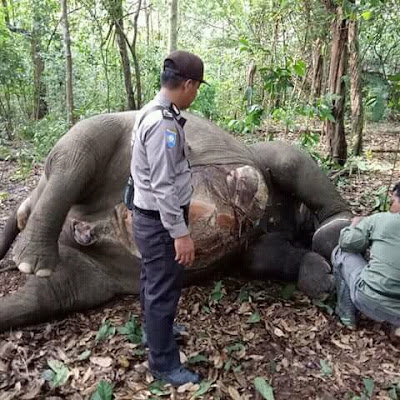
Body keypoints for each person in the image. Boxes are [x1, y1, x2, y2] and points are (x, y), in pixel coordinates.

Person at [130, 50, 206, 385]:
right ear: (187, 84)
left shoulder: (151, 110)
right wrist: (180, 233)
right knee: (163, 289)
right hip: (161, 220)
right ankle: (163, 364)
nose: (196, 93)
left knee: (151, 279)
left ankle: (156, 331)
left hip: (147, 216)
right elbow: (163, 186)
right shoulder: (163, 126)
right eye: (197, 87)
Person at [331, 182, 400, 340]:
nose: (391, 206)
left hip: (370, 300)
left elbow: (347, 243)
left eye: (393, 202)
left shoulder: (380, 219)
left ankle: (346, 314)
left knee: (341, 253)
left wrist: (355, 225)